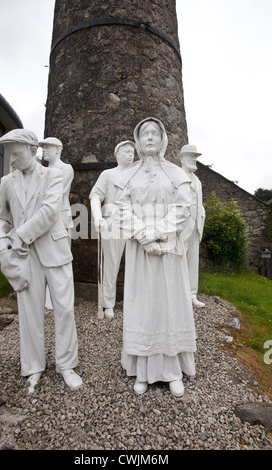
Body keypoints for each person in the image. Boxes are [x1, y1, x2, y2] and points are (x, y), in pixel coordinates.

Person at [0, 129, 82, 394]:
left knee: (64, 309)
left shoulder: (54, 176)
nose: (13, 160)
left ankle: (66, 365)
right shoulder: (6, 181)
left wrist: (19, 235)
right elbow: (0, 217)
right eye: (10, 155)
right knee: (30, 313)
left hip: (54, 249)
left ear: (33, 151)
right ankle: (33, 367)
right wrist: (0, 241)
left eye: (17, 154)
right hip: (24, 256)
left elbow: (50, 211)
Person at [114, 117, 196, 397]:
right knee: (143, 306)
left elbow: (184, 207)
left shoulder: (175, 173)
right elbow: (121, 209)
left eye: (154, 133)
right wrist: (142, 236)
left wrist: (157, 233)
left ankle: (172, 371)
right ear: (137, 141)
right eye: (144, 134)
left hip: (168, 249)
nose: (149, 138)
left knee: (169, 306)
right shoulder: (129, 176)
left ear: (163, 140)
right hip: (140, 251)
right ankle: (143, 370)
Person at [89, 141, 135, 318]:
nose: (131, 155)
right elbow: (95, 196)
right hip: (113, 221)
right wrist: (97, 217)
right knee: (111, 263)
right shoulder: (107, 174)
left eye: (132, 152)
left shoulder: (138, 176)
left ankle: (134, 302)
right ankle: (108, 303)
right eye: (126, 152)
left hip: (133, 221)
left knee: (135, 264)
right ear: (117, 155)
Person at [39, 137, 74, 309]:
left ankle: (63, 296)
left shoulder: (65, 169)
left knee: (63, 256)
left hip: (60, 216)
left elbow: (58, 194)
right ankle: (48, 295)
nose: (44, 151)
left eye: (47, 148)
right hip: (44, 216)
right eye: (43, 148)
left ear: (57, 150)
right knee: (46, 255)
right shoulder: (41, 170)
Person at [178, 144, 206, 308]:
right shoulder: (176, 177)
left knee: (192, 262)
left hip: (195, 226)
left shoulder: (198, 181)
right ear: (182, 158)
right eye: (191, 156)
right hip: (181, 227)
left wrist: (201, 214)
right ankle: (177, 295)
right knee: (177, 261)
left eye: (195, 157)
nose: (194, 159)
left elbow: (198, 202)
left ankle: (192, 295)